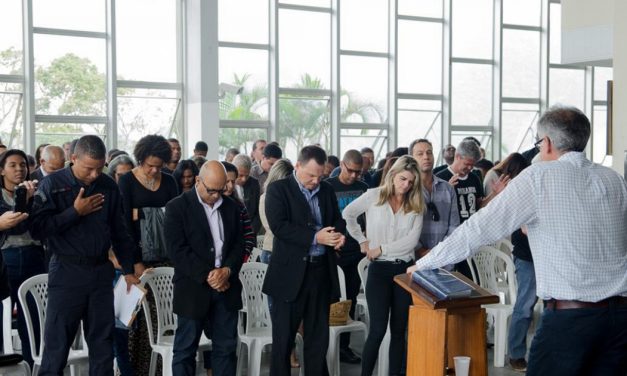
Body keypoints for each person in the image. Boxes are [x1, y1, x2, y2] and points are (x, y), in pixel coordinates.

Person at [407, 106, 627, 376]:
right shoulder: (613, 179)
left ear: (546, 143)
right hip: (620, 320)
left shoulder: (537, 177)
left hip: (570, 321)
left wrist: (425, 263)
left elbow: (479, 228)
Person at [30, 135, 139, 375]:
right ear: (73, 158)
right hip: (67, 273)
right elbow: (38, 230)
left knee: (102, 345)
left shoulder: (108, 186)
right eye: (89, 168)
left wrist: (129, 271)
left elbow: (120, 233)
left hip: (100, 273)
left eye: (99, 168)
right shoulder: (53, 185)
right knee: (57, 346)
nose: (94, 175)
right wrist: (74, 212)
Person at [263, 145, 345, 376]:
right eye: (310, 176)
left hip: (320, 273)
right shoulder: (279, 189)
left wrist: (339, 236)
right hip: (289, 275)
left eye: (320, 176)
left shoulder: (326, 190)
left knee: (318, 339)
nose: (315, 181)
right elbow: (279, 227)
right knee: (283, 341)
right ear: (297, 166)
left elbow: (337, 220)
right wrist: (315, 237)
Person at [343, 155, 424, 376]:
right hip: (378, 271)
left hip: (404, 272)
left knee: (399, 331)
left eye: (411, 182)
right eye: (403, 179)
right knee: (377, 329)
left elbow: (411, 242)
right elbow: (348, 214)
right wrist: (362, 240)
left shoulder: (416, 204)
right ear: (392, 175)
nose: (406, 185)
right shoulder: (373, 196)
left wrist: (381, 248)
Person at [165, 160, 244, 376]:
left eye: (221, 190)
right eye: (212, 191)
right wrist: (210, 275)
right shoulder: (176, 208)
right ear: (198, 181)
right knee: (185, 350)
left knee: (226, 348)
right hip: (192, 288)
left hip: (226, 287)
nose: (217, 196)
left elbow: (239, 244)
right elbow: (177, 251)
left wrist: (227, 270)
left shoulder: (231, 207)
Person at [118, 135, 178, 374]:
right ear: (140, 159)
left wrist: (140, 213)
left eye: (159, 166)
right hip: (139, 260)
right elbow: (124, 226)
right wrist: (135, 262)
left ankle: (164, 368)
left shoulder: (170, 182)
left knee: (165, 317)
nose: (154, 170)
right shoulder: (127, 182)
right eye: (149, 165)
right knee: (141, 321)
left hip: (167, 258)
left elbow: (175, 219)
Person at [0, 150, 45, 367]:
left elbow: (36, 227)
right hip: (6, 260)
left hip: (34, 257)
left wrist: (28, 200)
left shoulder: (35, 192)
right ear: (2, 170)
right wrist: (22, 203)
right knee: (4, 313)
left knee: (32, 317)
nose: (19, 169)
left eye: (23, 165)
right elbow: (16, 228)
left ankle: (32, 363)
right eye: (12, 165)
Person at [325, 150, 367, 365]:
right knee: (331, 298)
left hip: (356, 250)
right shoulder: (328, 186)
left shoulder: (364, 188)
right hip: (335, 249)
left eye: (358, 172)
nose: (353, 176)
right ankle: (326, 343)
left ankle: (344, 346)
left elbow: (368, 218)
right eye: (350, 170)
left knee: (349, 298)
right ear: (342, 165)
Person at [409, 139, 460, 264]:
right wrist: (421, 251)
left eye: (429, 152)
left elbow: (454, 226)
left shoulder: (447, 188)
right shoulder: (408, 189)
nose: (426, 157)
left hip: (445, 259)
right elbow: (404, 228)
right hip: (415, 259)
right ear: (412, 159)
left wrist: (441, 251)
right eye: (420, 154)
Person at [232, 154, 261, 234]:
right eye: (240, 175)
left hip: (251, 231)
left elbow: (258, 211)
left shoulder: (254, 183)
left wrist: (251, 231)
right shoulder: (225, 184)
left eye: (247, 176)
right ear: (234, 170)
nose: (244, 179)